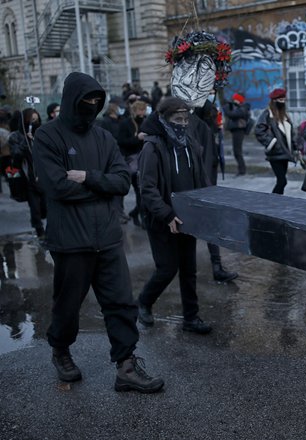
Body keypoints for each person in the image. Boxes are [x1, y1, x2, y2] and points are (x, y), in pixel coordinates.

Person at [31, 71, 163, 393]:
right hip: (71, 241)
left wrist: (88, 177)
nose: (91, 106)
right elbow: (57, 187)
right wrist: (101, 187)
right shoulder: (48, 137)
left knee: (121, 303)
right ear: (70, 100)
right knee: (67, 305)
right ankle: (60, 351)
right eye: (86, 100)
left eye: (97, 101)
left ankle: (127, 366)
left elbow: (121, 181)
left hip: (107, 237)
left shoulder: (103, 136)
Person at [137, 97, 213, 335]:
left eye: (185, 118)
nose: (182, 123)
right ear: (164, 119)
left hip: (187, 217)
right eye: (177, 119)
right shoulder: (153, 146)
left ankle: (191, 318)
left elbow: (200, 176)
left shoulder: (189, 142)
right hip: (163, 220)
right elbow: (147, 188)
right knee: (167, 268)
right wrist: (166, 214)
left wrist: (206, 203)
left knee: (189, 269)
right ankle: (144, 302)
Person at [166, 31, 237, 283]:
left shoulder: (203, 114)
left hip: (207, 173)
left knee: (210, 221)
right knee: (192, 224)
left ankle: (216, 266)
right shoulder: (185, 112)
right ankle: (178, 272)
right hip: (194, 178)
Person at [8, 108, 47, 238]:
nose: (34, 123)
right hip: (27, 177)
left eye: (36, 120)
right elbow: (16, 155)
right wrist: (26, 141)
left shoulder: (42, 135)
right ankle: (39, 230)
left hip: (44, 177)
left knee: (47, 206)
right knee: (35, 207)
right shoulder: (15, 136)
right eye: (31, 120)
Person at [255, 88, 298, 195]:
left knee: (282, 181)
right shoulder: (267, 114)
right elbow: (259, 130)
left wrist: (295, 147)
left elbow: (291, 133)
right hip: (275, 154)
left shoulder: (284, 115)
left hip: (285, 153)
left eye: (284, 100)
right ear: (274, 100)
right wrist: (272, 142)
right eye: (281, 100)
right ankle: (274, 202)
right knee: (282, 181)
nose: (283, 102)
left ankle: (278, 201)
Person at [117, 99, 147, 226]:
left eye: (144, 109)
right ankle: (122, 213)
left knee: (141, 191)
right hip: (130, 161)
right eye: (140, 109)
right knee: (124, 189)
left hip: (142, 160)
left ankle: (139, 215)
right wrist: (137, 138)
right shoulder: (125, 123)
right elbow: (121, 142)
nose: (143, 112)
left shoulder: (146, 122)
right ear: (134, 111)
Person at [222, 93, 251, 176]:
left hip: (239, 131)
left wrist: (226, 109)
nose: (233, 100)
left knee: (237, 151)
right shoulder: (239, 107)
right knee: (237, 151)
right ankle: (241, 169)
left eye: (235, 99)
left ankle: (242, 170)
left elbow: (233, 114)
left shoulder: (243, 108)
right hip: (236, 131)